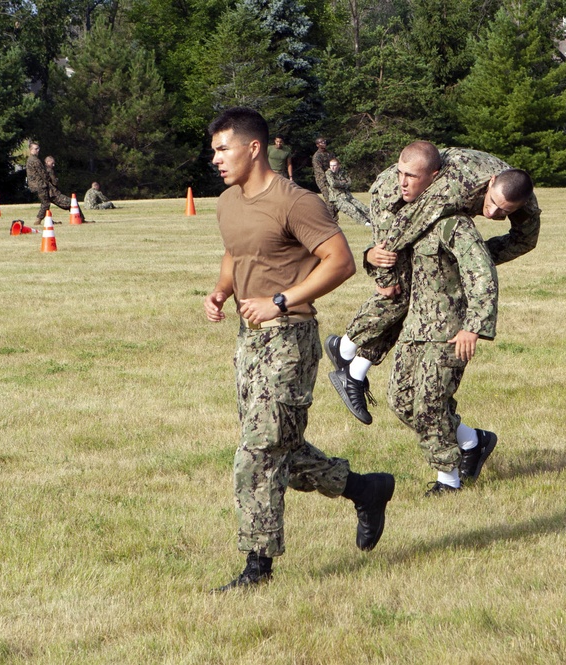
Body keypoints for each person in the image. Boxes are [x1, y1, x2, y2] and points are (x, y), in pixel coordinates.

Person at [203, 107, 395, 591]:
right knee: (278, 449)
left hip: (290, 336)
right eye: (213, 151)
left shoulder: (297, 201)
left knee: (259, 451)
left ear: (253, 148)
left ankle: (257, 566)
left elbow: (341, 261)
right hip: (249, 341)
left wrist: (281, 300)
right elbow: (237, 250)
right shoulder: (228, 202)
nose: (216, 159)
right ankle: (366, 489)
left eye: (223, 149)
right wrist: (222, 291)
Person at [325, 146, 540, 431]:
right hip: (394, 199)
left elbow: (525, 240)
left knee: (428, 284)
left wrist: (469, 257)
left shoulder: (523, 199)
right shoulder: (451, 186)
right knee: (399, 291)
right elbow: (398, 235)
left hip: (431, 190)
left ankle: (351, 361)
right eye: (492, 203)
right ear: (489, 184)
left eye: (505, 210)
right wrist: (381, 271)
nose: (493, 211)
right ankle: (347, 352)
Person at [379, 142, 499, 495]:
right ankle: (473, 440)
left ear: (432, 179)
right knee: (401, 402)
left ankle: (449, 480)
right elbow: (387, 262)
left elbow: (482, 275)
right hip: (415, 326)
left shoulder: (454, 224)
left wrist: (474, 327)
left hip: (449, 332)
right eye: (399, 174)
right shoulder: (403, 219)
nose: (401, 183)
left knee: (430, 404)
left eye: (410, 176)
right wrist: (372, 255)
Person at [25, 142, 86, 225]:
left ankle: (48, 220)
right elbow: (43, 174)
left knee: (47, 203)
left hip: (39, 186)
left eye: (38, 148)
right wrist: (51, 179)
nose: (38, 150)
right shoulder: (35, 160)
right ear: (30, 149)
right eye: (35, 149)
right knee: (47, 203)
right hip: (42, 186)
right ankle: (38, 221)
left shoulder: (30, 160)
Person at [325, 158, 372, 227]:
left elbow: (349, 182)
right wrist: (343, 183)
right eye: (331, 165)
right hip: (337, 198)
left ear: (338, 165)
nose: (332, 167)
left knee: (363, 207)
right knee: (352, 209)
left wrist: (340, 184)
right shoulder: (328, 173)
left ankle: (374, 220)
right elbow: (333, 184)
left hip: (347, 196)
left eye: (334, 165)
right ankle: (365, 223)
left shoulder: (342, 172)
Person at [311, 137, 338, 222]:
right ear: (317, 145)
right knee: (329, 200)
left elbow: (336, 165)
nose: (324, 143)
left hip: (332, 180)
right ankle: (330, 220)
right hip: (323, 181)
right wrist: (327, 180)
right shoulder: (316, 157)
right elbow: (319, 171)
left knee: (337, 200)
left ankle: (333, 218)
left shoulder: (330, 154)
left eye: (324, 141)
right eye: (321, 142)